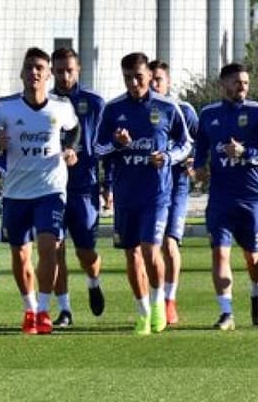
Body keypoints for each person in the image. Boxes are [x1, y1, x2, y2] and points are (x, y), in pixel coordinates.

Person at [94, 52, 190, 336]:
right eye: (128, 78)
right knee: (132, 255)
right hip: (126, 195)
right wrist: (117, 143)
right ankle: (142, 311)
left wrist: (169, 156)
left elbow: (186, 144)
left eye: (138, 76)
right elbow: (97, 149)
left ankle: (159, 301)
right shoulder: (113, 109)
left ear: (150, 75)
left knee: (150, 250)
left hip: (156, 194)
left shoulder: (168, 107)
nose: (134, 82)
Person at [0, 47, 80, 335]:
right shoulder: (5, 107)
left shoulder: (61, 106)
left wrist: (70, 148)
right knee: (20, 256)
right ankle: (29, 307)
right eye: (29, 67)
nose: (34, 72)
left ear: (48, 73)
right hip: (16, 191)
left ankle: (43, 310)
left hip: (50, 188)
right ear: (22, 73)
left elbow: (75, 129)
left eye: (40, 67)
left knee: (49, 246)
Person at [193, 62, 258, 331]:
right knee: (219, 254)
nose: (241, 87)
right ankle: (226, 313)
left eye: (245, 82)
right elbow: (201, 147)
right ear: (223, 84)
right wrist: (199, 168)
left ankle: (257, 290)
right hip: (221, 198)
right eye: (236, 82)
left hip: (253, 198)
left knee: (252, 257)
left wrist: (246, 153)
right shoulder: (209, 114)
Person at [49, 48, 107, 327]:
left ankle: (94, 280)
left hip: (85, 187)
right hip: (50, 188)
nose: (64, 75)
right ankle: (65, 310)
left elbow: (105, 146)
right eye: (59, 70)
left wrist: (108, 185)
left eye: (69, 70)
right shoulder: (44, 102)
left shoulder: (95, 103)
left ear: (79, 69)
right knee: (54, 248)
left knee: (86, 252)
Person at [149, 59, 199, 326]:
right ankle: (154, 300)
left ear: (168, 82)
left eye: (159, 79)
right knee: (150, 246)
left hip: (177, 184)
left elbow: (200, 141)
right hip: (150, 186)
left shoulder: (184, 110)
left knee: (169, 243)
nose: (155, 83)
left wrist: (194, 161)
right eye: (151, 78)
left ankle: (169, 301)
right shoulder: (143, 109)